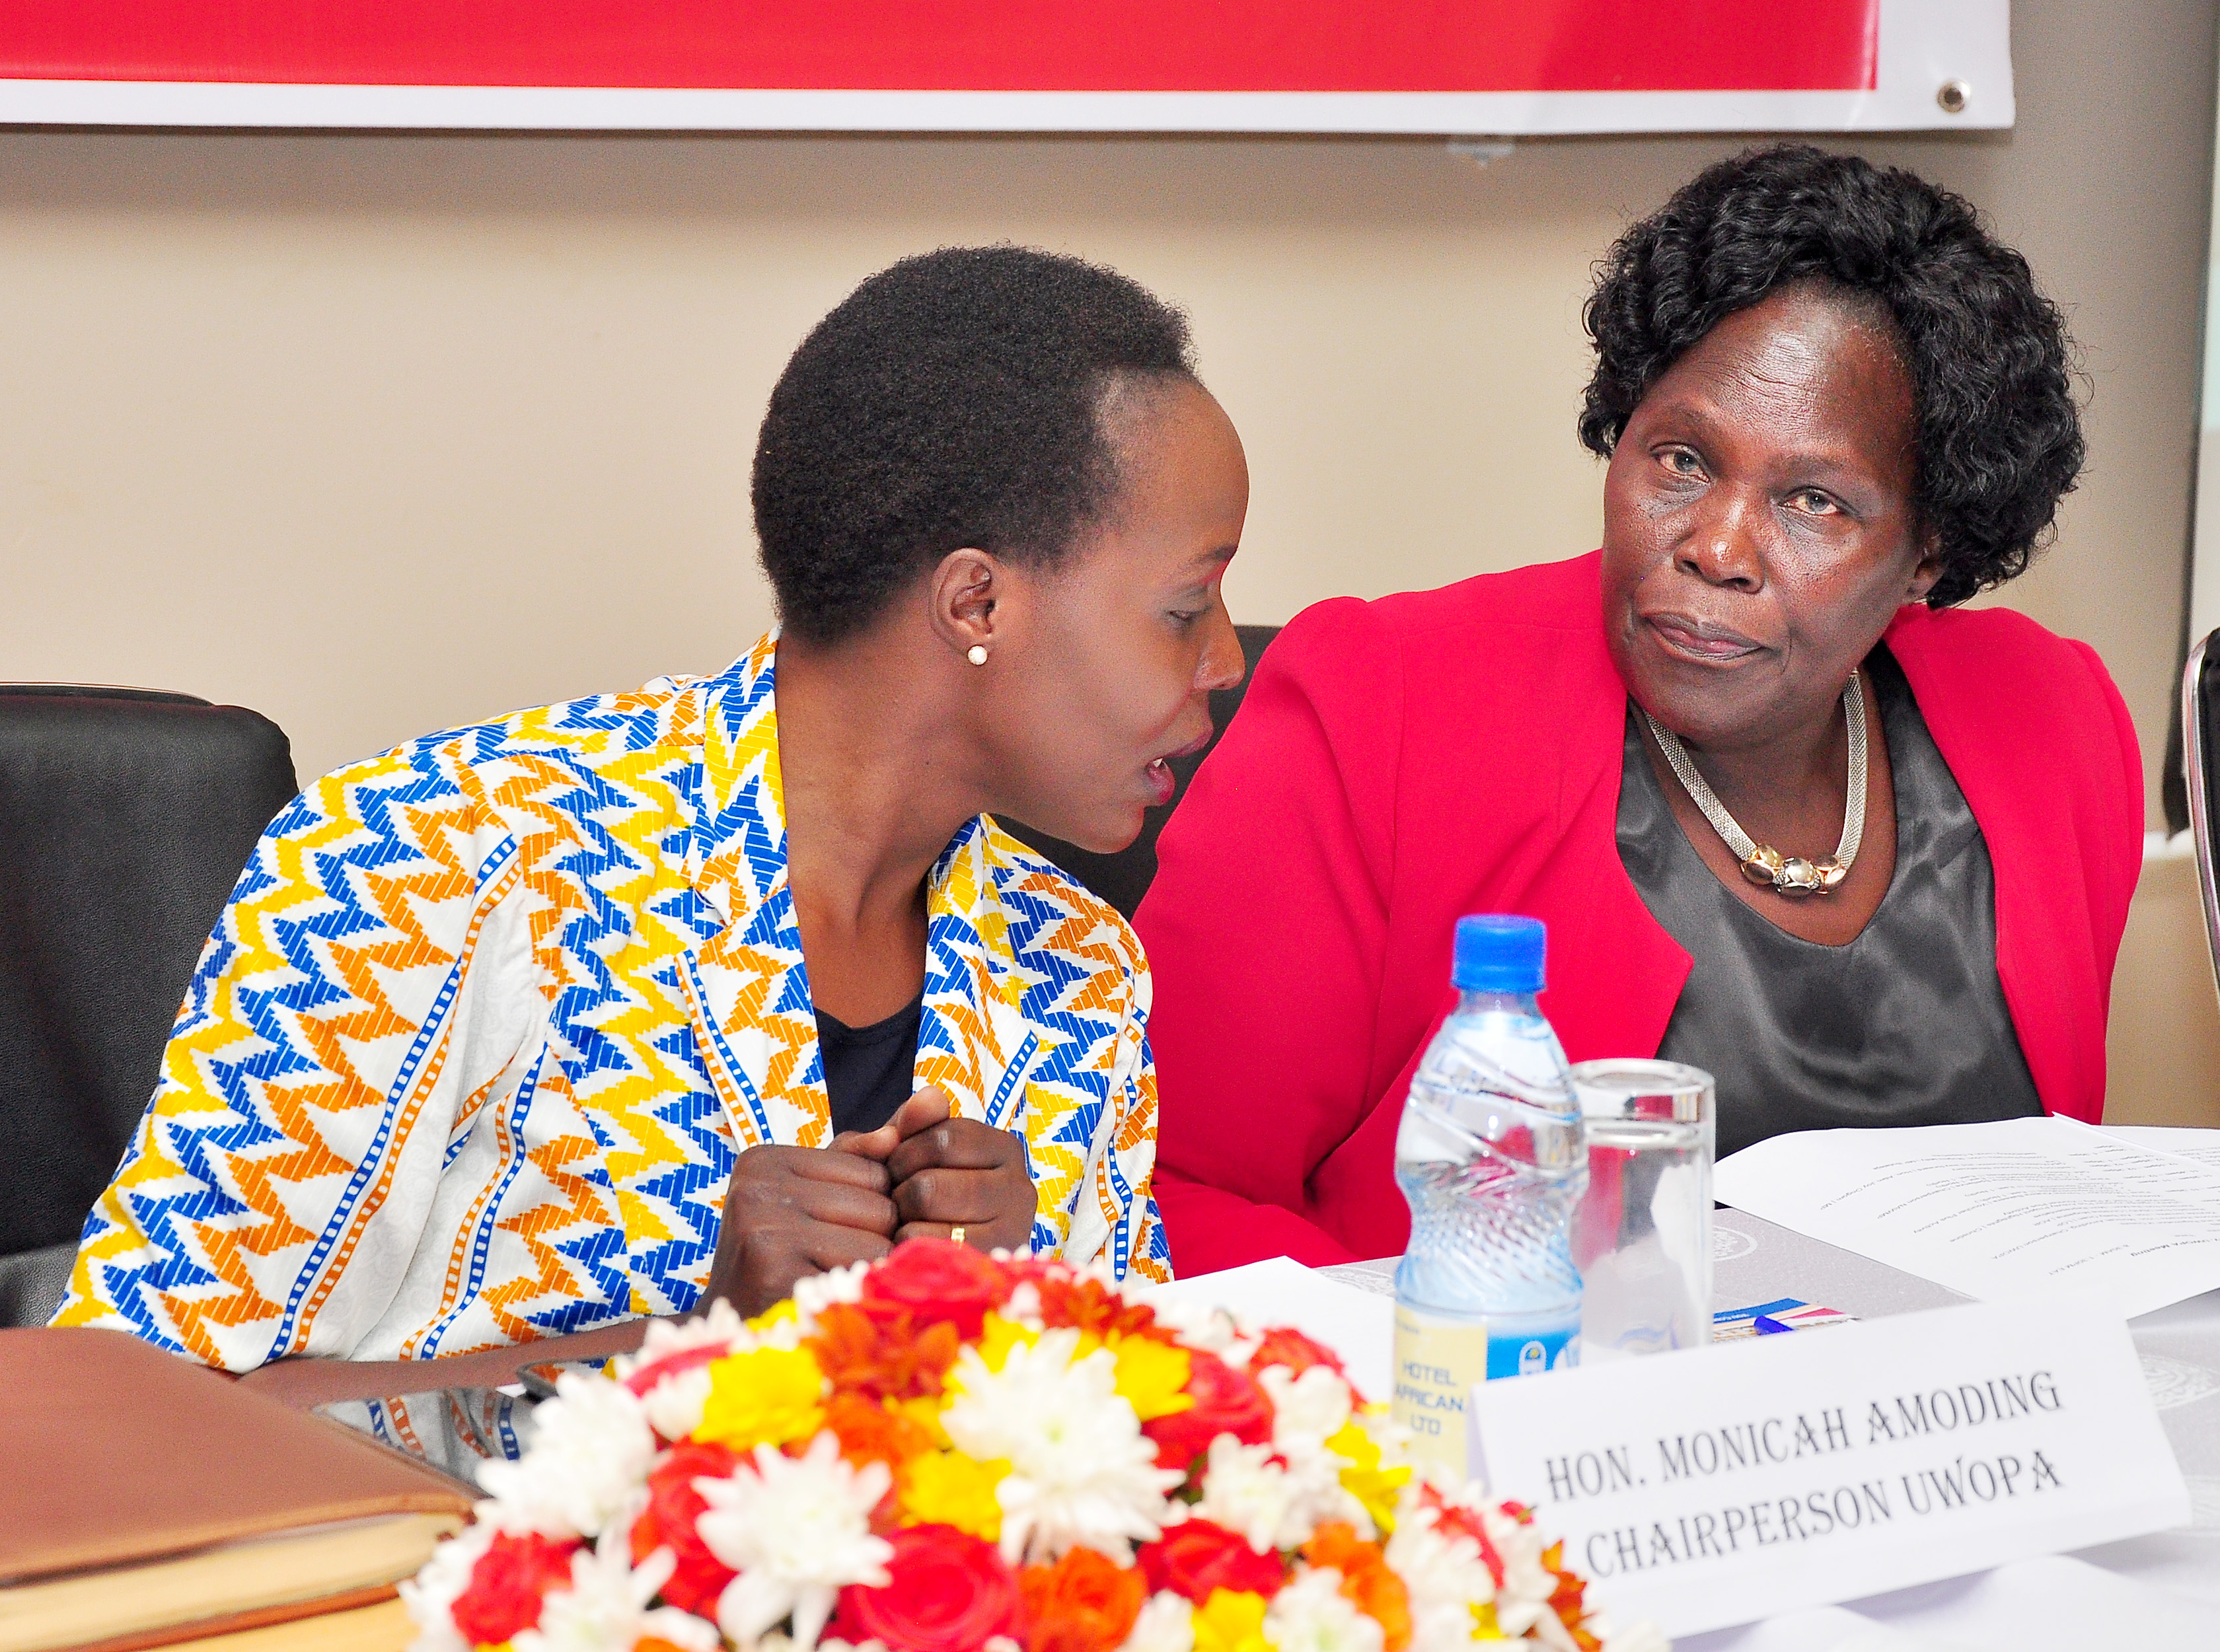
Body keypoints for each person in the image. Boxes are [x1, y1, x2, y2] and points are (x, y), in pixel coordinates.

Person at [57, 246, 1248, 1370]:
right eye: (1187, 608)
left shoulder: (1079, 967)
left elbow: (1108, 1465)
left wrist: (1026, 1322)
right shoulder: (441, 857)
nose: (1226, 664)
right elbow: (120, 1408)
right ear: (975, 604)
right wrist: (688, 1350)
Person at [1136, 145, 2139, 1275]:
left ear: (1929, 551)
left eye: (1814, 500)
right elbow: (1162, 1187)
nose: (1714, 547)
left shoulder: (2051, 723)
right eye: (1680, 458)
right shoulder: (1390, 705)